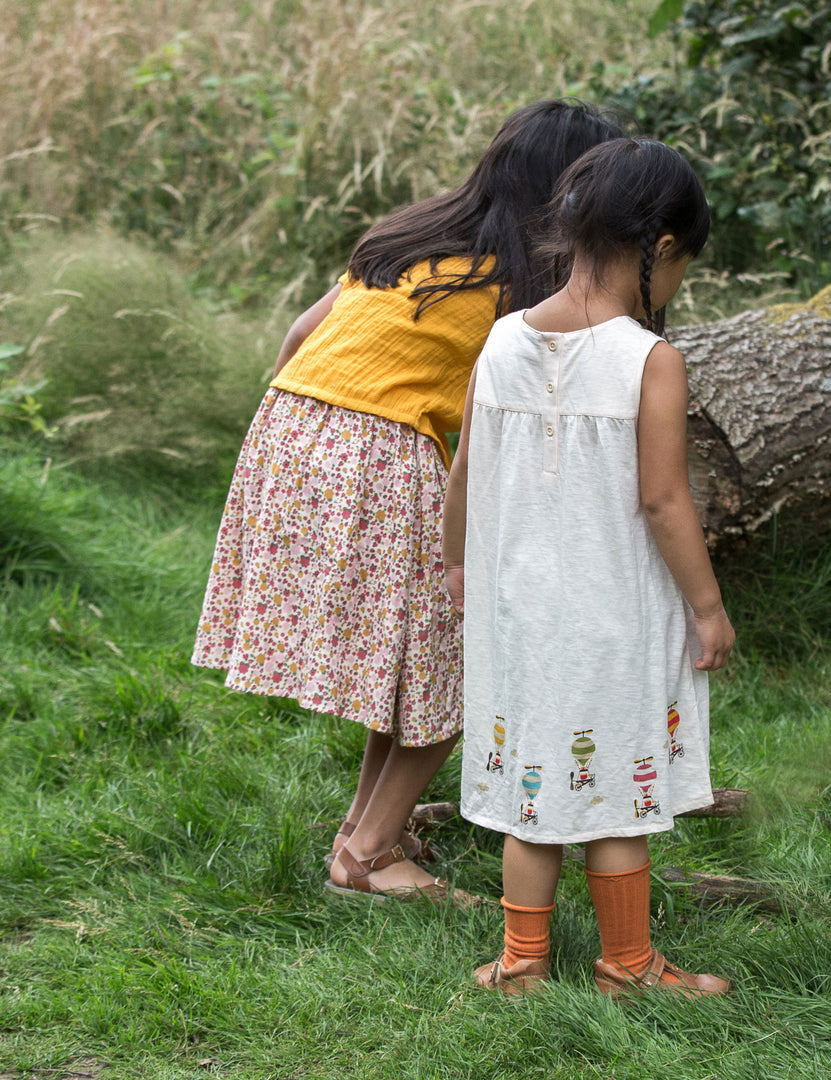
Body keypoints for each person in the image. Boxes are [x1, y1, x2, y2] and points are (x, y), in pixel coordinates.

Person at [191, 100, 624, 904]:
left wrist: (302, 440)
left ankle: (366, 823)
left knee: (410, 660)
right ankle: (369, 856)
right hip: (379, 451)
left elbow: (297, 335)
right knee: (460, 662)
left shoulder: (408, 238)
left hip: (290, 423)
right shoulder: (525, 289)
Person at [442, 138, 736, 993]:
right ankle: (628, 963)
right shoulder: (650, 359)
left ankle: (521, 965)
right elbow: (663, 501)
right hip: (612, 618)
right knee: (616, 792)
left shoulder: (499, 341)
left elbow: (464, 470)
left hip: (518, 613)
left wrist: (458, 561)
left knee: (531, 795)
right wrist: (707, 606)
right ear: (666, 247)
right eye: (684, 266)